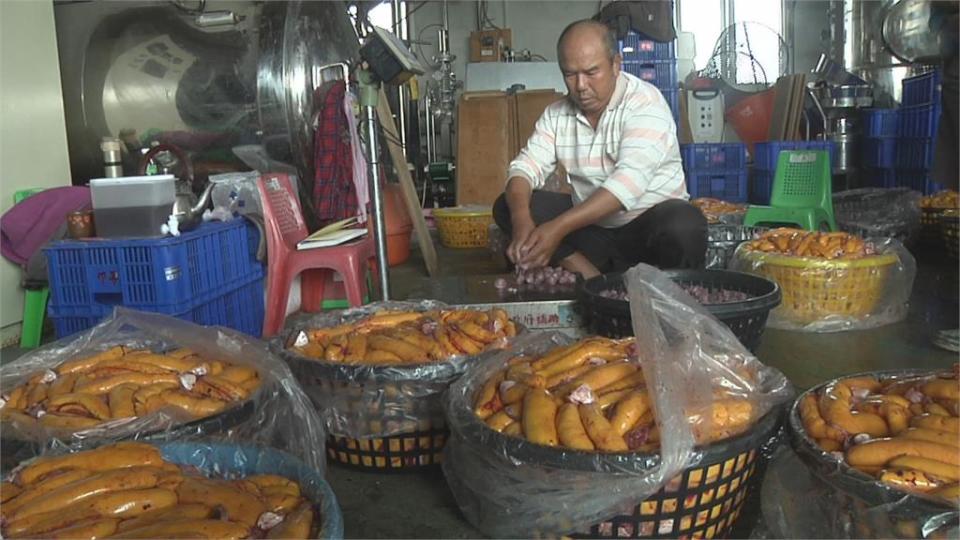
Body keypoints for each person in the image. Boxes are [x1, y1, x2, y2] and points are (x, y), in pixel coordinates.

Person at [493, 19, 706, 279]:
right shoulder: (557, 114)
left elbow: (626, 186)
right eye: (570, 74)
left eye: (591, 72)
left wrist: (557, 229)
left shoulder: (645, 104)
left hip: (646, 234)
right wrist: (521, 221)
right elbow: (524, 168)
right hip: (594, 232)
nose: (580, 85)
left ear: (616, 65)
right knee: (509, 204)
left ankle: (668, 293)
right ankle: (589, 275)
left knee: (685, 224)